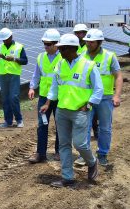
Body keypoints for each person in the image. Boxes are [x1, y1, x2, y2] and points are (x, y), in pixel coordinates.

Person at [40, 33, 103, 188]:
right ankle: (67, 177)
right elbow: (55, 87)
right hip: (62, 110)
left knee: (80, 144)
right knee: (64, 145)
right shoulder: (60, 64)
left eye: (62, 48)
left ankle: (92, 161)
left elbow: (98, 89)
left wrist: (88, 105)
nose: (59, 51)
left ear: (72, 49)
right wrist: (48, 103)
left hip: (80, 111)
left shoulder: (88, 65)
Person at [73, 29, 122, 167]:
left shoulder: (109, 56)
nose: (88, 44)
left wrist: (117, 95)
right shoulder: (81, 56)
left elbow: (118, 76)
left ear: (99, 42)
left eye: (92, 42)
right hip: (87, 99)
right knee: (85, 126)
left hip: (105, 99)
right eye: (87, 42)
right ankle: (85, 155)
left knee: (105, 127)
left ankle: (102, 155)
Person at [28, 29, 61, 163]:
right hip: (43, 97)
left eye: (48, 44)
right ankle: (40, 153)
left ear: (56, 44)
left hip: (60, 98)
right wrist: (32, 87)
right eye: (44, 44)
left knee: (60, 125)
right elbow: (36, 75)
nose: (45, 47)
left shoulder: (63, 57)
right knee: (42, 125)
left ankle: (59, 151)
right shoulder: (41, 57)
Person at [0, 28, 28, 128]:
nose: (5, 41)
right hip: (3, 75)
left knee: (14, 97)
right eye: (3, 40)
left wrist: (14, 59)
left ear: (11, 36)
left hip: (14, 75)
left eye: (6, 39)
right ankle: (8, 121)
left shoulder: (19, 47)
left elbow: (25, 61)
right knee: (5, 99)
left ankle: (19, 120)